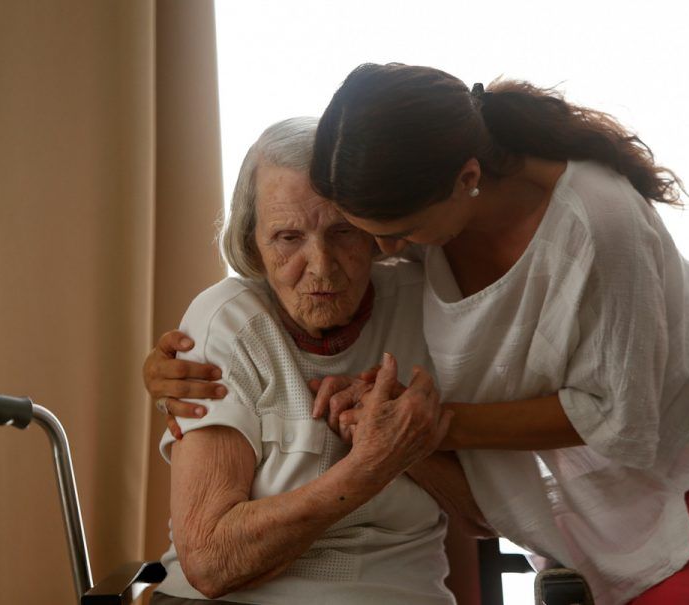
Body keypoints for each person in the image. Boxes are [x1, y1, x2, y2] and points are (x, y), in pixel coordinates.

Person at [146, 66, 689, 603]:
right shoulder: (245, 311)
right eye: (289, 238)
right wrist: (168, 364)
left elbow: (616, 425)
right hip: (599, 491)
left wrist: (420, 432)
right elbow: (209, 563)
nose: (351, 262)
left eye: (358, 235)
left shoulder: (579, 233)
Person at [146, 116, 486, 605]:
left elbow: (482, 518)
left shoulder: (426, 303)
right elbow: (210, 562)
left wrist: (411, 440)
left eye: (343, 232)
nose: (322, 266)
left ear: (374, 231)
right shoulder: (226, 321)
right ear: (252, 244)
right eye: (288, 238)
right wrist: (371, 465)